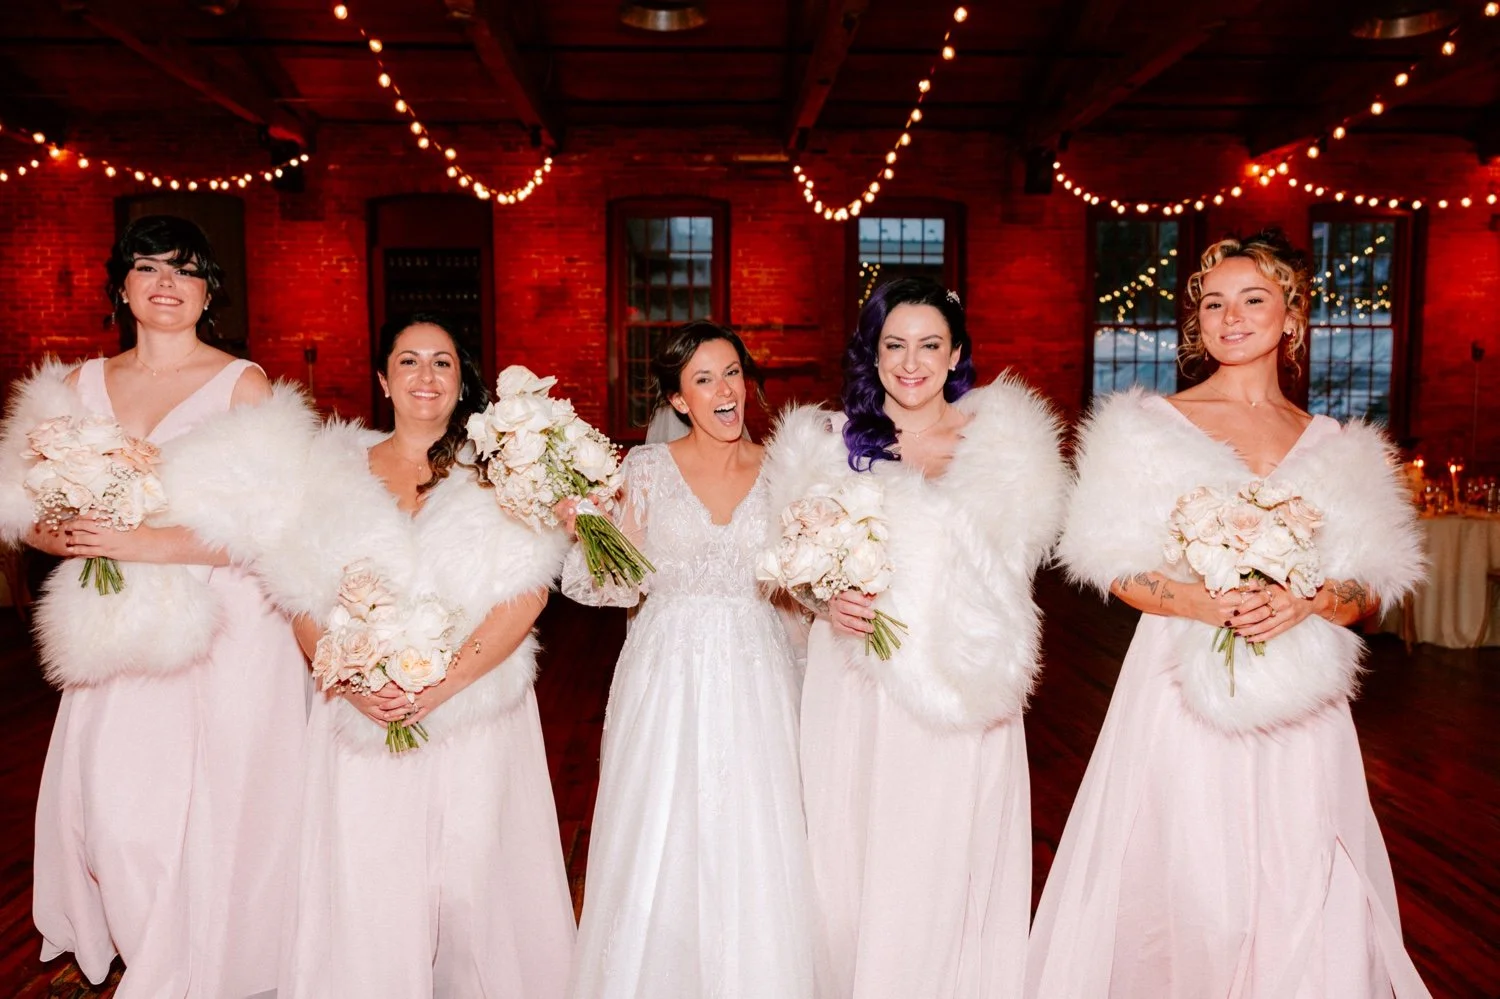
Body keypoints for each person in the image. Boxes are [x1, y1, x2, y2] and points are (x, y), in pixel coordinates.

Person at [1028, 229, 1430, 998]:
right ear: (1197, 322)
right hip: (1182, 682)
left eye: (1253, 299)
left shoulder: (1339, 444)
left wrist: (1307, 599)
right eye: (1214, 303)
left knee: (1301, 866)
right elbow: (1115, 563)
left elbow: (1370, 586)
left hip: (1301, 695)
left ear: (1291, 317)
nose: (1231, 316)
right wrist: (1202, 601)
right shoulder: (1146, 424)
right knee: (1193, 874)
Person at [0, 215, 312, 998]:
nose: (167, 282)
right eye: (148, 267)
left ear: (210, 290)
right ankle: (152, 945)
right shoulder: (74, 386)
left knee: (227, 800)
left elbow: (262, 530)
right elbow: (26, 511)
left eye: (186, 268)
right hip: (111, 629)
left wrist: (138, 542)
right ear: (122, 287)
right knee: (117, 805)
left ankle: (213, 959)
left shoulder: (243, 383)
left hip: (227, 627)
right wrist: (60, 532)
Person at [762, 277, 1067, 999]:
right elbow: (794, 566)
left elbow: (1015, 572)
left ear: (956, 352)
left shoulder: (1004, 447)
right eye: (893, 344)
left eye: (930, 344)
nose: (911, 362)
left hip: (961, 679)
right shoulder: (829, 446)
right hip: (860, 682)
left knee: (947, 853)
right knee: (855, 856)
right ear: (871, 352)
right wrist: (822, 598)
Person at [265, 313, 576, 998]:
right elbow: (300, 598)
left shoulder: (499, 471)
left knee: (471, 882)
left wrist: (443, 683)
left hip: (473, 706)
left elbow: (526, 597)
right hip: (363, 719)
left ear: (462, 378)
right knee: (371, 877)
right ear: (383, 377)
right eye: (408, 361)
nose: (425, 376)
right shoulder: (332, 471)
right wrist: (351, 685)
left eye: (442, 361)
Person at [561, 320, 817, 999]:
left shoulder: (785, 470)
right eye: (703, 379)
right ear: (678, 400)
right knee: (659, 832)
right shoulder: (645, 470)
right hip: (664, 675)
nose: (723, 389)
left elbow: (801, 590)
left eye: (731, 372)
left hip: (755, 674)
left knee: (753, 833)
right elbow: (615, 587)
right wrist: (589, 532)